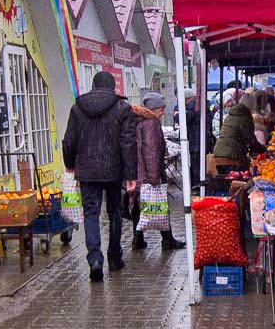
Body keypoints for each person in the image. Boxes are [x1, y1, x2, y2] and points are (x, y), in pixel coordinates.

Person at [63, 71, 137, 281]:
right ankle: (114, 257)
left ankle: (95, 259)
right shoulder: (123, 108)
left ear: (93, 86)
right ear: (113, 88)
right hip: (113, 169)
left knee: (91, 214)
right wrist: (130, 174)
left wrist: (70, 165)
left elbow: (69, 141)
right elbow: (128, 143)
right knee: (114, 212)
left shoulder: (77, 108)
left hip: (86, 171)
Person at [130, 92, 185, 251]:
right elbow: (151, 151)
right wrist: (154, 177)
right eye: (161, 109)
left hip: (137, 171)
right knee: (160, 204)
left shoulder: (136, 120)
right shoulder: (151, 123)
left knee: (138, 206)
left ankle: (137, 239)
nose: (162, 113)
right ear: (155, 108)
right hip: (148, 172)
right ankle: (167, 241)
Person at [213, 91, 266, 170]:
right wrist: (263, 149)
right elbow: (250, 139)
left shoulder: (232, 114)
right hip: (232, 155)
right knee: (244, 171)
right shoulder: (244, 117)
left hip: (218, 152)